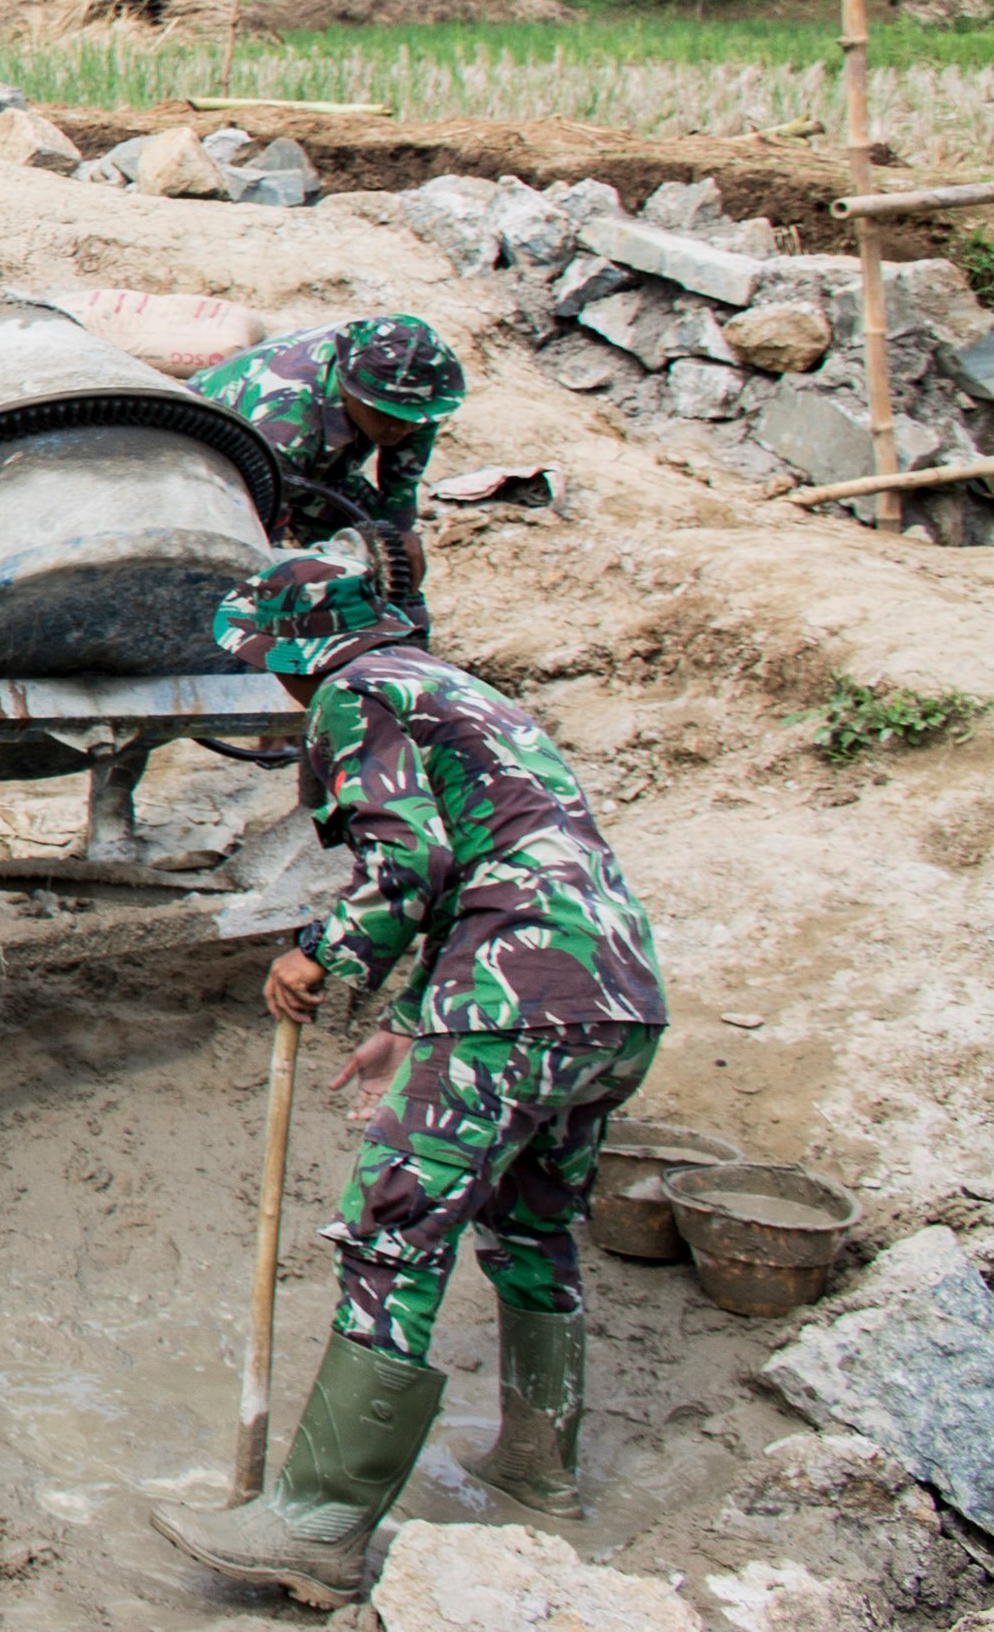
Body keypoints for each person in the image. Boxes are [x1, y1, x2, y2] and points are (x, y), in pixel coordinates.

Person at [153, 556, 667, 1608]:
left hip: (512, 1003)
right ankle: (538, 1464)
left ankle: (318, 1524)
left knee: (394, 1230)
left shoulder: (355, 696)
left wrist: (319, 952)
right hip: (611, 998)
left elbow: (408, 865)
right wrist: (403, 1022)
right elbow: (497, 862)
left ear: (289, 652)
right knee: (532, 1226)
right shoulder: (461, 692)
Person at [194, 314, 468, 591]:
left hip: (324, 451)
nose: (403, 428)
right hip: (214, 459)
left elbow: (401, 483)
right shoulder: (285, 431)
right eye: (387, 415)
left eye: (414, 418)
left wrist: (402, 530)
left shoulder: (415, 402)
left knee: (384, 554)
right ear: (349, 390)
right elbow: (259, 545)